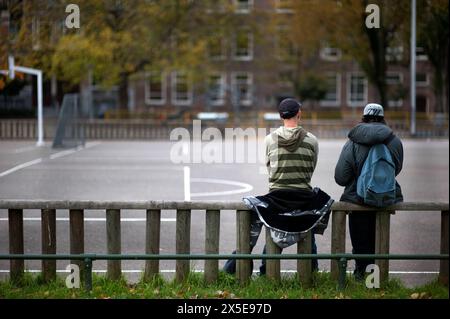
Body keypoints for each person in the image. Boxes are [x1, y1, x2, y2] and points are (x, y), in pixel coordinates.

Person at [224, 98, 321, 275]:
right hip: (303, 198)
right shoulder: (312, 140)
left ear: (280, 116)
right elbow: (311, 168)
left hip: (277, 198)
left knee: (273, 232)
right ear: (299, 114)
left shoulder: (269, 139)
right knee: (308, 230)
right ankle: (312, 272)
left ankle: (265, 271)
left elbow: (270, 168)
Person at [334, 103, 404, 280]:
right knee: (378, 244)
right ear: (382, 118)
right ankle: (376, 280)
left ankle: (362, 278)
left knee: (361, 246)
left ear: (363, 117)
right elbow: (396, 169)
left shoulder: (353, 142)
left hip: (357, 200)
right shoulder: (394, 141)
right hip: (385, 198)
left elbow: (341, 177)